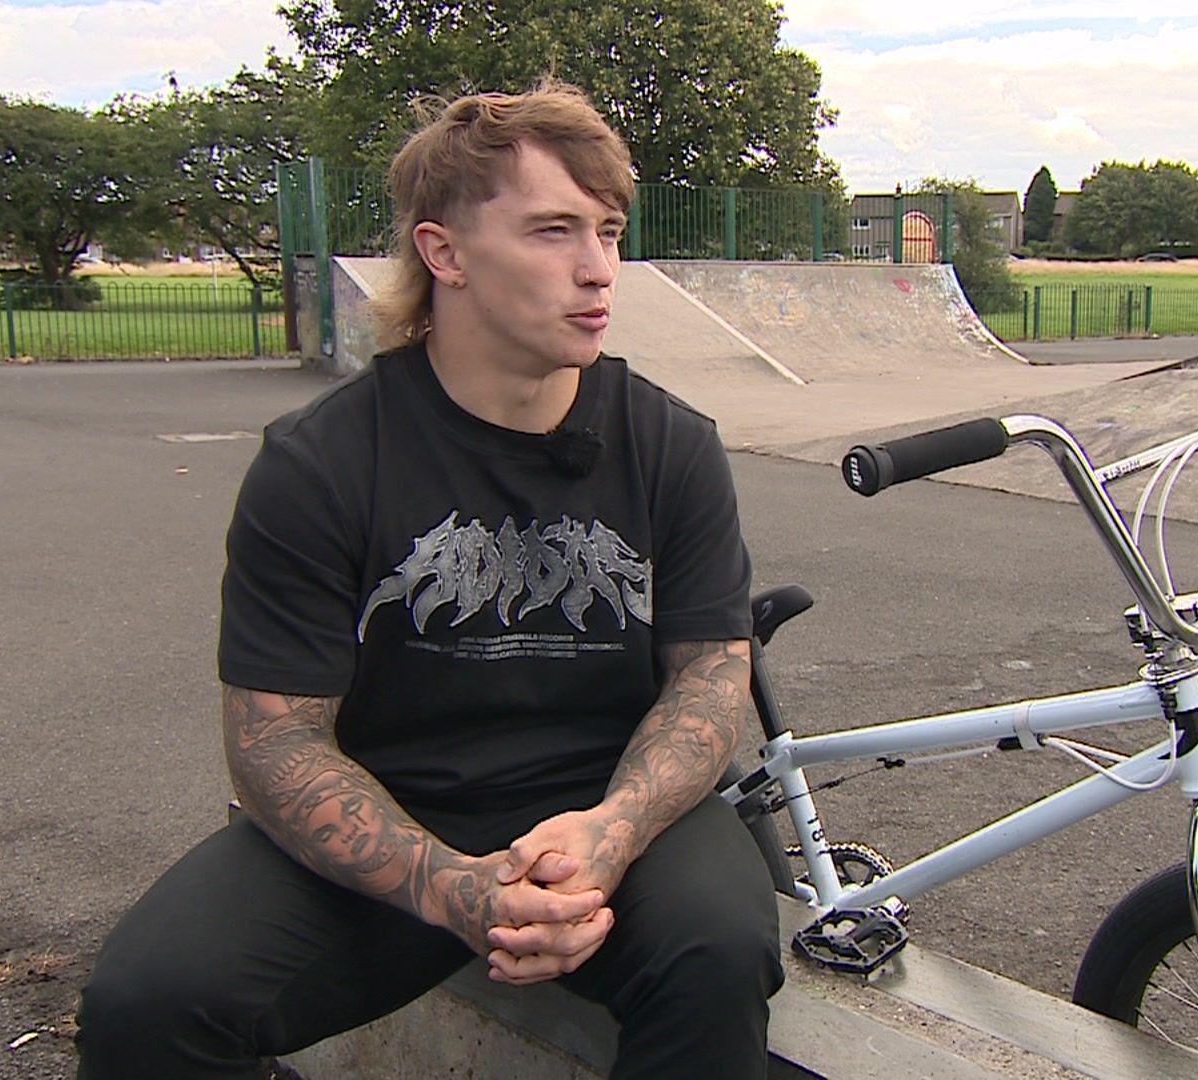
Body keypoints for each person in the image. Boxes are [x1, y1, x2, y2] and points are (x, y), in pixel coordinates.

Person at [76, 83, 782, 1078]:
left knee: (717, 948)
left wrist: (611, 833)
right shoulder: (323, 460)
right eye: (551, 231)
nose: (596, 270)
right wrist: (455, 888)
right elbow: (273, 741)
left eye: (609, 231)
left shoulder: (671, 444)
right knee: (149, 1003)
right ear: (444, 252)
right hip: (396, 813)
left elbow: (711, 674)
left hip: (604, 810)